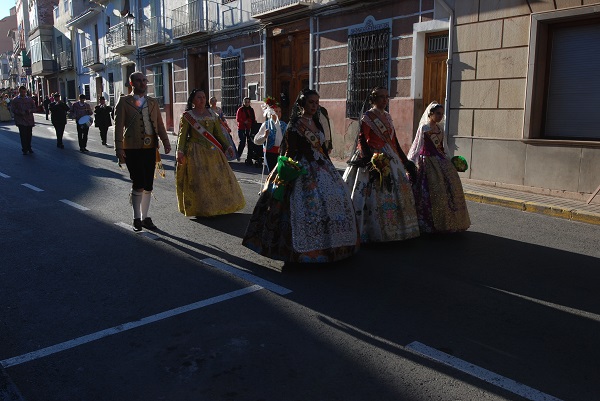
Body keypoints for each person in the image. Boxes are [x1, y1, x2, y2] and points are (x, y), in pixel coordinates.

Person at [242, 89, 359, 263]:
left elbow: (322, 147)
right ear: (302, 104)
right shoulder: (295, 124)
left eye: (317, 103)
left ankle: (333, 244)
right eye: (311, 102)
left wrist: (327, 164)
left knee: (335, 198)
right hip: (300, 167)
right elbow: (288, 150)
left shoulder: (318, 123)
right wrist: (289, 171)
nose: (314, 106)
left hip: (321, 166)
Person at [342, 87, 419, 243]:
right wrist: (369, 162)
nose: (385, 100)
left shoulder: (388, 117)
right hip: (372, 156)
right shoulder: (368, 117)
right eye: (381, 97)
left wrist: (404, 161)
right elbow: (362, 140)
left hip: (389, 156)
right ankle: (369, 231)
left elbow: (394, 141)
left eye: (386, 97)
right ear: (373, 99)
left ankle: (397, 229)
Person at [114, 71, 172, 231]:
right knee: (138, 182)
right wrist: (119, 148)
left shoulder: (152, 102)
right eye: (138, 81)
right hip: (131, 148)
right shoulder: (124, 102)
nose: (142, 83)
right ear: (132, 83)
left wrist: (166, 142)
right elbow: (118, 127)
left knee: (148, 184)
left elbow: (160, 125)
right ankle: (136, 218)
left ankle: (146, 217)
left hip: (150, 148)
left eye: (144, 81)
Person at [176, 89, 245, 217]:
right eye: (199, 97)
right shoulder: (188, 116)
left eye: (203, 97)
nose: (202, 100)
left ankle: (221, 206)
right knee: (200, 182)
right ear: (193, 100)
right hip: (195, 152)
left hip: (213, 152)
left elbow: (218, 133)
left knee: (218, 179)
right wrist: (180, 151)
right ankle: (203, 208)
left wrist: (227, 146)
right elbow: (182, 135)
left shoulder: (213, 115)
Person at [407, 102, 470, 233]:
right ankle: (428, 223)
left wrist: (450, 160)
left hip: (440, 161)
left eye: (441, 114)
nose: (440, 116)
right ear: (430, 114)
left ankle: (449, 221)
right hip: (427, 162)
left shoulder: (440, 129)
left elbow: (443, 147)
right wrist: (411, 162)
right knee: (429, 191)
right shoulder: (424, 128)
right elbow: (417, 145)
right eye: (438, 113)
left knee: (448, 189)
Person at [253, 97, 287, 172]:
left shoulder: (284, 125)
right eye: (276, 111)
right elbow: (256, 140)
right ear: (271, 112)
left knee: (280, 174)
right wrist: (264, 136)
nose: (278, 114)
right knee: (272, 173)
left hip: (282, 153)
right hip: (270, 153)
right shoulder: (266, 125)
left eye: (279, 111)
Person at [209, 96, 237, 161]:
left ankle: (226, 156)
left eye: (215, 100)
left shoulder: (219, 109)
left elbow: (223, 118)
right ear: (210, 102)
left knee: (225, 140)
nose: (214, 102)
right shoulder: (209, 110)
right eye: (213, 101)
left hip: (221, 127)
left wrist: (227, 127)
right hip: (213, 127)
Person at [10, 86, 36, 155]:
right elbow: (12, 109)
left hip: (29, 120)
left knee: (29, 134)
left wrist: (30, 110)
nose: (23, 93)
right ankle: (24, 149)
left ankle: (29, 147)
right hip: (20, 120)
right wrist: (19, 112)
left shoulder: (29, 99)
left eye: (24, 92)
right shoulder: (15, 100)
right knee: (23, 135)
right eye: (22, 92)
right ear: (19, 91)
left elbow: (34, 108)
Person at [235, 97, 256, 162]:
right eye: (245, 102)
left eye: (248, 102)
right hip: (242, 128)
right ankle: (238, 155)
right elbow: (238, 119)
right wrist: (244, 121)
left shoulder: (251, 110)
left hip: (249, 128)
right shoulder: (240, 109)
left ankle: (249, 157)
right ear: (243, 102)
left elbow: (253, 118)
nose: (247, 103)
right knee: (242, 142)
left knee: (250, 143)